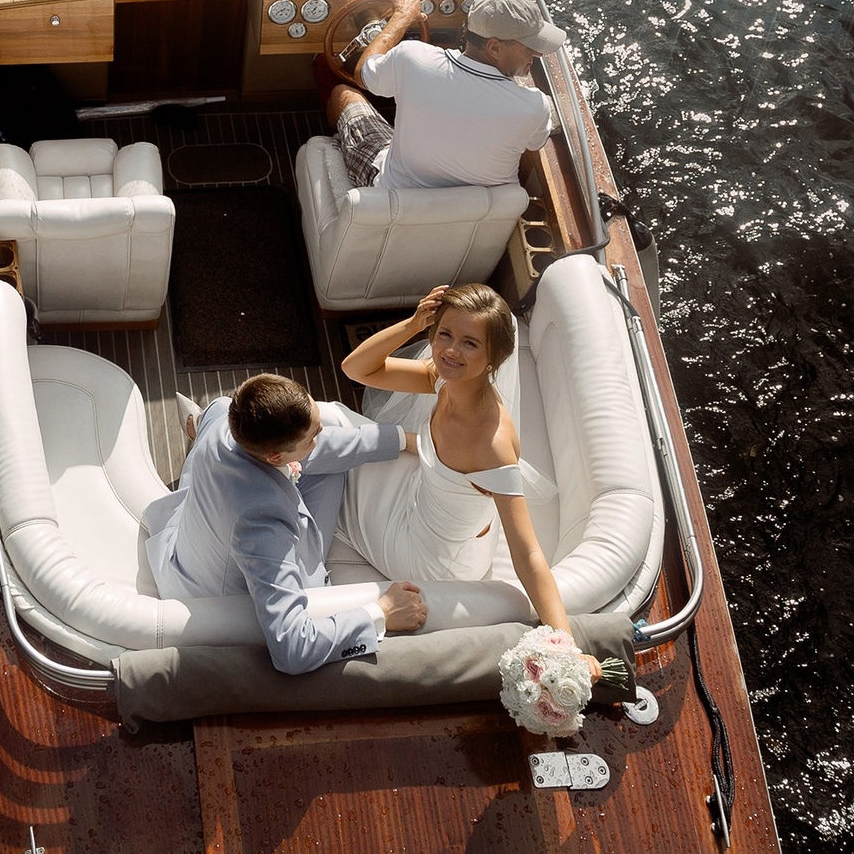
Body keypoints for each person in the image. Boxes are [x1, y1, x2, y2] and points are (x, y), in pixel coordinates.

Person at [338, 283, 615, 680]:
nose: (451, 351)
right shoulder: (444, 379)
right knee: (341, 432)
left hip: (428, 558)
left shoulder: (492, 444)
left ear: (493, 357)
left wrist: (567, 645)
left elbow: (528, 555)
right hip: (427, 507)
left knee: (339, 451)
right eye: (444, 334)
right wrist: (413, 324)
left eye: (470, 343)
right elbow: (356, 368)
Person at [140, 374, 431, 674]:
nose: (320, 435)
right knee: (329, 465)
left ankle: (196, 426)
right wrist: (380, 613)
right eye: (313, 436)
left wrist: (402, 439)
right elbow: (293, 649)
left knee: (221, 410)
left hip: (196, 535)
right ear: (274, 456)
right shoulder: (261, 525)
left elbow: (322, 447)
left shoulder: (224, 419)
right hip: (219, 595)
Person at [324, 0, 559, 191]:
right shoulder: (535, 107)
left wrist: (401, 18)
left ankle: (333, 144)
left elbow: (363, 73)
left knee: (342, 94)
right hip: (475, 216)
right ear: (494, 48)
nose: (538, 54)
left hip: (395, 197)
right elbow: (534, 142)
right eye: (530, 46)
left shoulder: (412, 58)